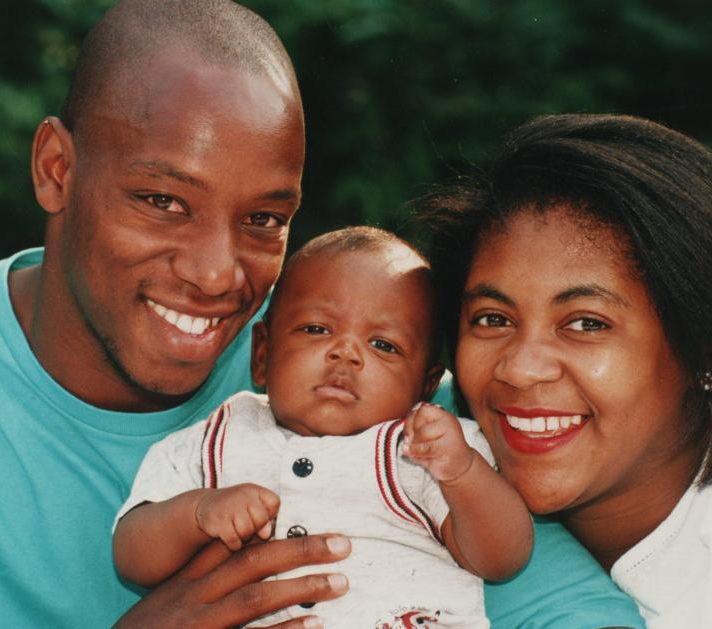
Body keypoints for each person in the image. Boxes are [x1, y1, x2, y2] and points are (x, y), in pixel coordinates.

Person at [0, 1, 644, 626]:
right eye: (162, 202)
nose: (217, 273)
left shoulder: (378, 407)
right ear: (57, 170)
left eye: (264, 220)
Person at [419, 113, 712, 628]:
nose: (521, 369)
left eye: (585, 323)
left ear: (707, 347)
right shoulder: (408, 442)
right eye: (492, 318)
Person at [113, 227, 534, 626]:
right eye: (317, 329)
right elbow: (133, 555)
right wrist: (198, 512)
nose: (346, 353)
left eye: (383, 345)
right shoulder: (217, 438)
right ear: (262, 354)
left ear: (425, 385)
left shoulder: (421, 449)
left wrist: (461, 472)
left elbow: (501, 558)